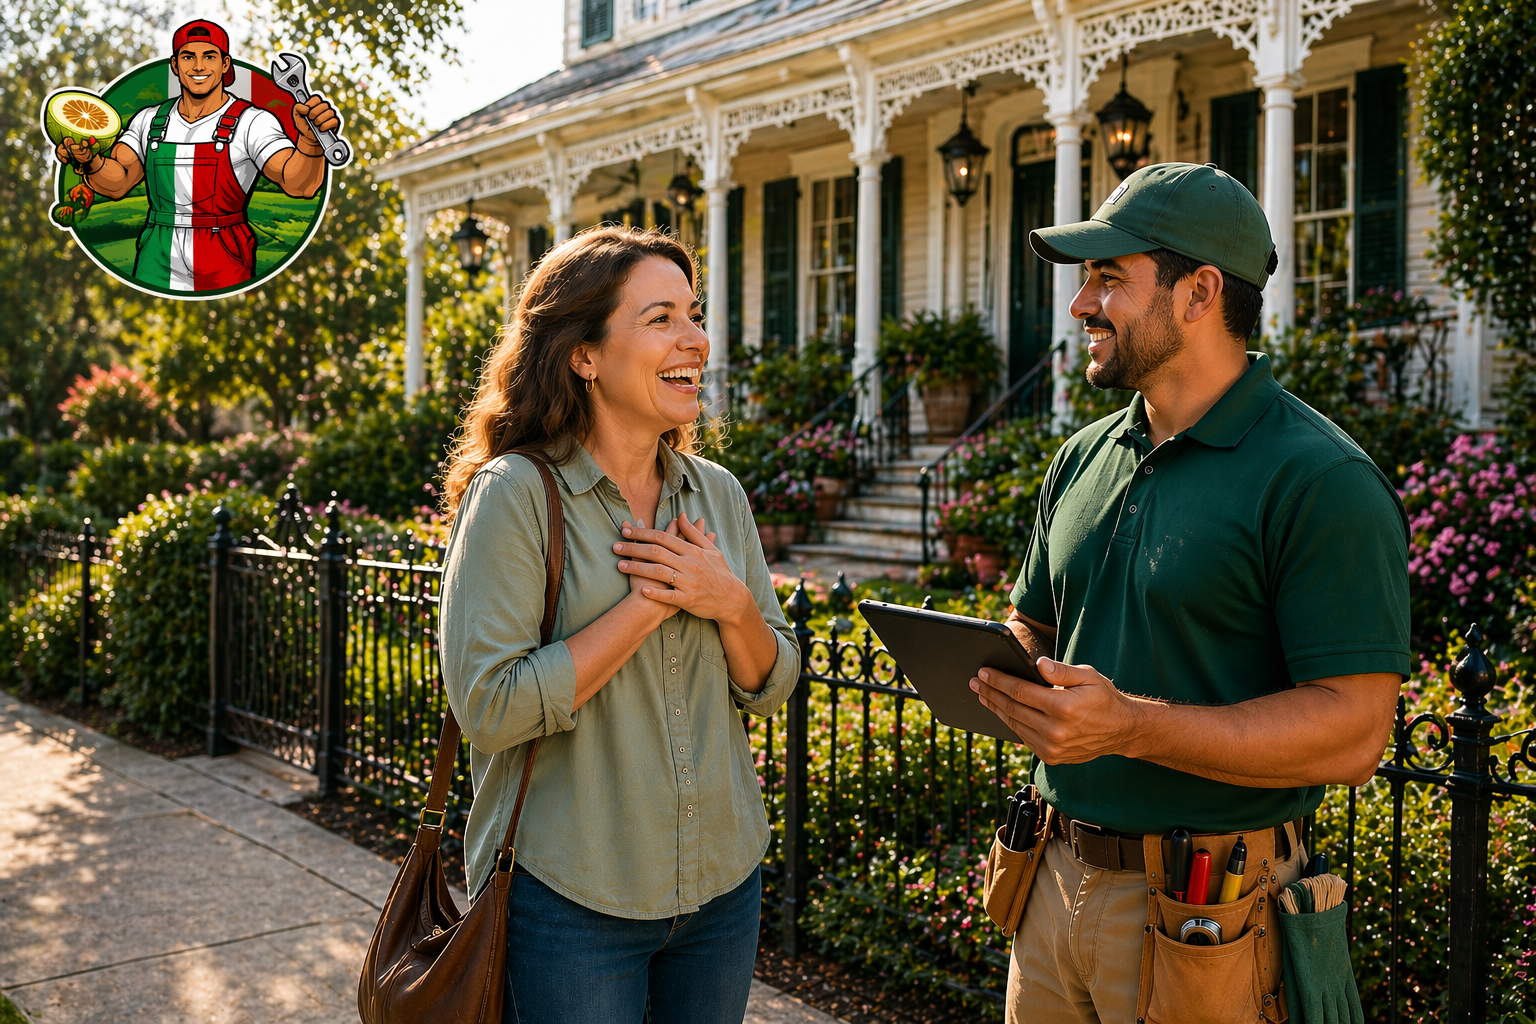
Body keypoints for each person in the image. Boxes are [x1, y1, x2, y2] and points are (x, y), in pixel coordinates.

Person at [969, 162, 1409, 1023]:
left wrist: (1129, 724)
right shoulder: (1082, 458)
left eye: (1108, 279)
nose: (1080, 306)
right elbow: (1035, 625)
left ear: (1200, 291)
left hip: (1210, 910)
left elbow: (1356, 734)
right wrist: (1005, 670)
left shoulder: (1321, 480)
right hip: (1050, 884)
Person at [437, 226, 800, 1023]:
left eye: (694, 315)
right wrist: (648, 606)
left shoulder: (717, 495)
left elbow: (771, 683)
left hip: (721, 889)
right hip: (570, 901)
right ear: (584, 355)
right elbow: (489, 708)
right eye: (661, 317)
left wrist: (730, 601)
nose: (695, 341)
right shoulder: (517, 495)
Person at [54, 19, 339, 292]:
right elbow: (118, 181)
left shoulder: (253, 122)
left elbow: (300, 184)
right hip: (155, 257)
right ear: (175, 65)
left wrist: (311, 141)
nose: (199, 66)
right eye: (188, 57)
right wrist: (90, 161)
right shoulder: (148, 120)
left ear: (225, 63)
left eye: (210, 56)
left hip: (225, 258)